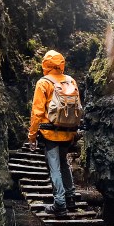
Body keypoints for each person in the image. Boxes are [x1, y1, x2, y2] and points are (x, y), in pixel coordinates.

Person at [26, 49, 83, 216]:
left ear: (45, 64)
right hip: (68, 132)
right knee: (64, 162)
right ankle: (71, 198)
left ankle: (59, 203)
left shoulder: (43, 83)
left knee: (54, 167)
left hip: (50, 133)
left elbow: (37, 113)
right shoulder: (70, 81)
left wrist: (32, 136)